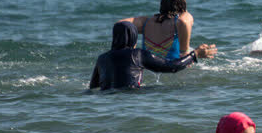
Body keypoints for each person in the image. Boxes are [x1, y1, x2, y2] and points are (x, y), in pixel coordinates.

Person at [89, 21, 217, 91]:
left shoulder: (102, 58)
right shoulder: (137, 54)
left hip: (106, 101)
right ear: (133, 37)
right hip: (129, 100)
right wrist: (195, 54)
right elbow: (172, 66)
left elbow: (93, 88)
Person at [119, 0, 196, 60]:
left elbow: (120, 24)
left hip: (148, 67)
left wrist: (131, 49)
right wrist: (185, 50)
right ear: (182, 7)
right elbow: (185, 21)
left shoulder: (146, 22)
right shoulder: (177, 23)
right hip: (172, 67)